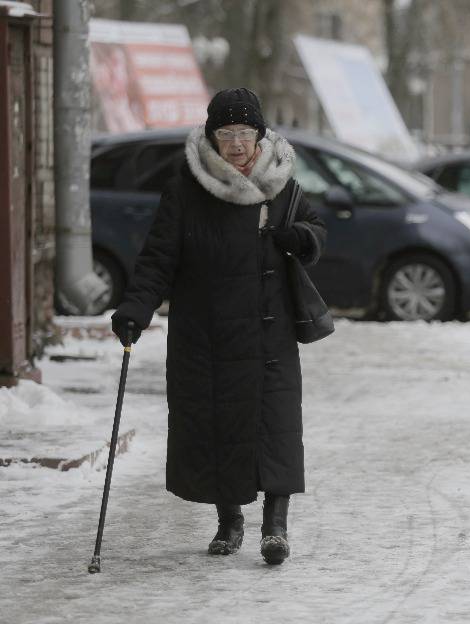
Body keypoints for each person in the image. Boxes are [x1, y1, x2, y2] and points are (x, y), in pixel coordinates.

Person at [110, 88, 326, 565]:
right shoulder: (188, 188)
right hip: (208, 332)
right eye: (226, 134)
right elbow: (157, 259)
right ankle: (230, 521)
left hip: (269, 332)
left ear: (259, 136)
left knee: (276, 427)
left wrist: (300, 236)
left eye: (244, 134)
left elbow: (316, 230)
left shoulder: (281, 183)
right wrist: (135, 309)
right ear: (212, 138)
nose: (236, 144)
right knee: (217, 427)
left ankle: (276, 527)